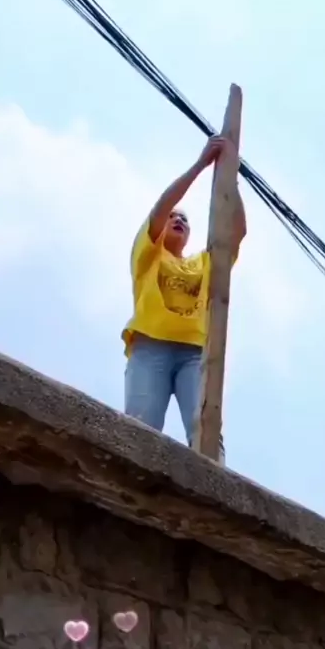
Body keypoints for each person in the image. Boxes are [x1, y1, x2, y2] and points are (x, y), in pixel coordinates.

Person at [122, 134, 246, 461]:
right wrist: (200, 165)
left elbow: (237, 233)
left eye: (185, 219)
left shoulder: (203, 263)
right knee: (141, 426)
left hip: (195, 353)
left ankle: (215, 488)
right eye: (173, 218)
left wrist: (230, 176)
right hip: (151, 347)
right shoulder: (148, 254)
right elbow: (160, 208)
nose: (178, 219)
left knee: (205, 432)